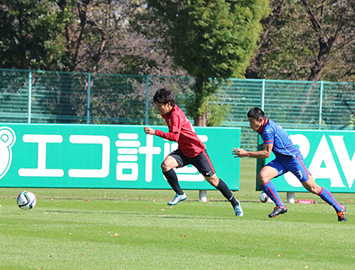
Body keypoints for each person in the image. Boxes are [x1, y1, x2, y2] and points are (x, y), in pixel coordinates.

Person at [232, 107, 347, 221]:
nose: (250, 125)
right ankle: (280, 205)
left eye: (252, 122)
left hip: (293, 159)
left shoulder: (267, 130)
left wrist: (246, 153)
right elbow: (279, 128)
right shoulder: (267, 125)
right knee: (263, 176)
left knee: (313, 187)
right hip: (281, 160)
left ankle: (339, 208)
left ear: (261, 120)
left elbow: (267, 153)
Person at [144, 88, 243, 216]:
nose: (158, 109)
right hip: (184, 151)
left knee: (213, 181)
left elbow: (174, 137)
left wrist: (155, 132)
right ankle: (180, 194)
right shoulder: (169, 112)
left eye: (159, 106)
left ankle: (235, 203)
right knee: (165, 165)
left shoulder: (175, 116)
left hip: (197, 151)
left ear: (168, 104)